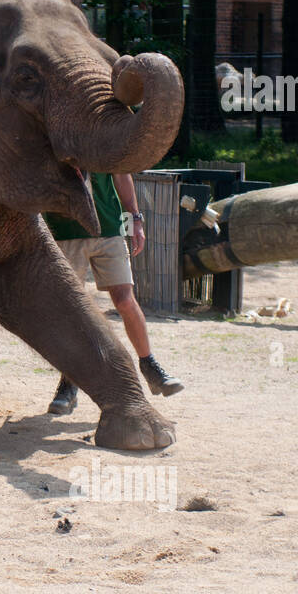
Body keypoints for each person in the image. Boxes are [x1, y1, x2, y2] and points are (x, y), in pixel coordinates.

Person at [43, 172, 183, 415]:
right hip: (65, 231)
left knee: (125, 301)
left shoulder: (103, 136)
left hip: (109, 228)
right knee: (70, 309)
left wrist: (135, 221)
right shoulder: (54, 135)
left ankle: (151, 367)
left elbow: (121, 174)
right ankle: (69, 384)